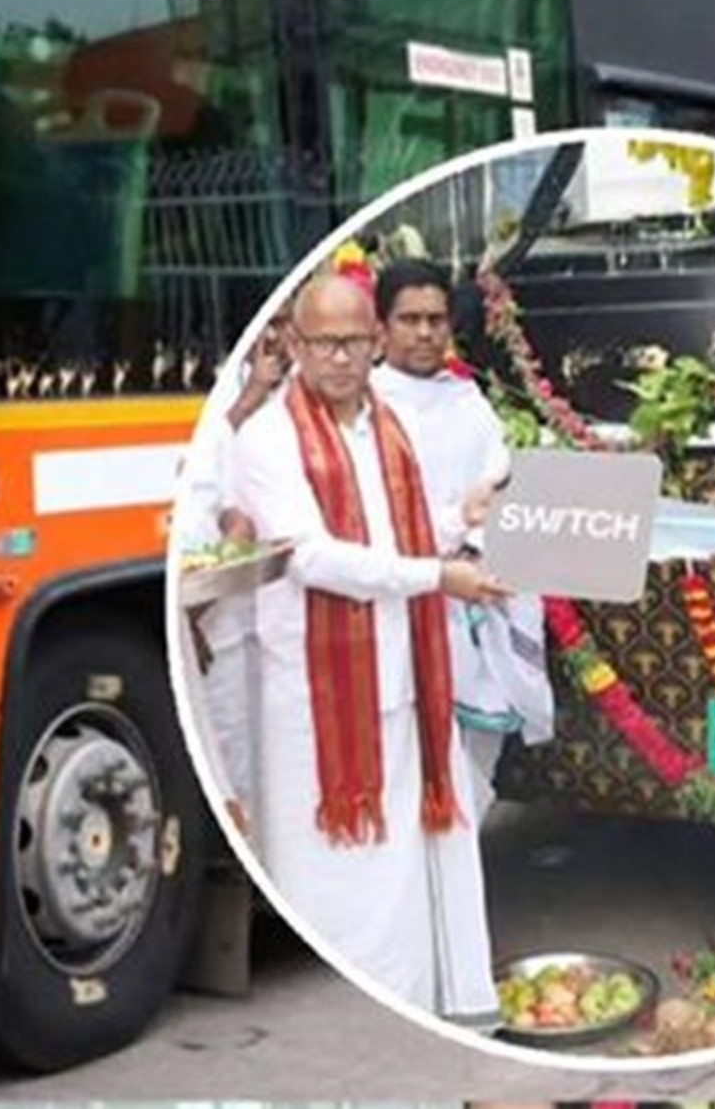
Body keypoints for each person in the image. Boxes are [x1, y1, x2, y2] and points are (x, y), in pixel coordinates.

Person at [223, 272, 508, 1023]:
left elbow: (396, 535)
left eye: (353, 341)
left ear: (374, 343)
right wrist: (440, 577)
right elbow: (313, 558)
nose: (341, 357)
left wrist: (460, 516)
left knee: (407, 874)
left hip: (405, 681)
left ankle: (419, 1014)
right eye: (324, 343)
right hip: (319, 707)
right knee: (340, 883)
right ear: (294, 344)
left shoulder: (388, 424)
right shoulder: (268, 438)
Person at [367, 260, 555, 818]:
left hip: (478, 605)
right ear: (381, 328)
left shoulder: (467, 399)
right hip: (402, 605)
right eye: (410, 320)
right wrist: (451, 525)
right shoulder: (367, 406)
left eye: (436, 319)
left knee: (473, 776)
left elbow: (497, 483)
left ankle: (460, 866)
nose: (425, 333)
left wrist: (480, 529)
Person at [176, 312, 290, 836]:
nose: (275, 337)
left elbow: (233, 515)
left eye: (284, 324)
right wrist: (190, 617)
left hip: (258, 618)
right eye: (271, 324)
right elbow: (221, 500)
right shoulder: (222, 397)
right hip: (217, 624)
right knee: (232, 761)